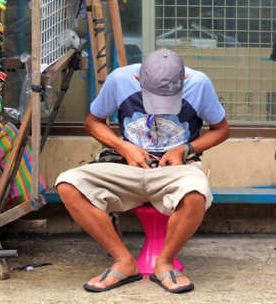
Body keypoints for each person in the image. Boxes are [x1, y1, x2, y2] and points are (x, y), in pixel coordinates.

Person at [56, 49, 229, 294]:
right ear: (138, 80)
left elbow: (222, 130)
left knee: (196, 191)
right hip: (128, 166)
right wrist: (123, 147)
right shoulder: (120, 79)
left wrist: (184, 149)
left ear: (185, 80)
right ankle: (123, 261)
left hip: (176, 169)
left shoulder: (199, 83)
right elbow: (92, 122)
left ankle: (165, 261)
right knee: (69, 183)